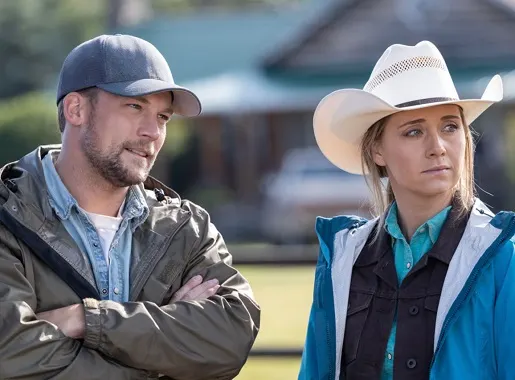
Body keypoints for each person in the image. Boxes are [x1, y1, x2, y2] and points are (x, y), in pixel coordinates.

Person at [0, 34, 260, 380]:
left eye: (164, 117)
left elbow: (230, 339)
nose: (153, 131)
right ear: (76, 109)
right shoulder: (8, 214)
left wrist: (86, 320)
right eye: (134, 107)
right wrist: (162, 351)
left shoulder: (187, 230)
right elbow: (12, 357)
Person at [298, 40, 515, 380]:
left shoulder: (501, 256)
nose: (438, 147)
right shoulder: (342, 258)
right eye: (414, 131)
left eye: (450, 127)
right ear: (377, 151)